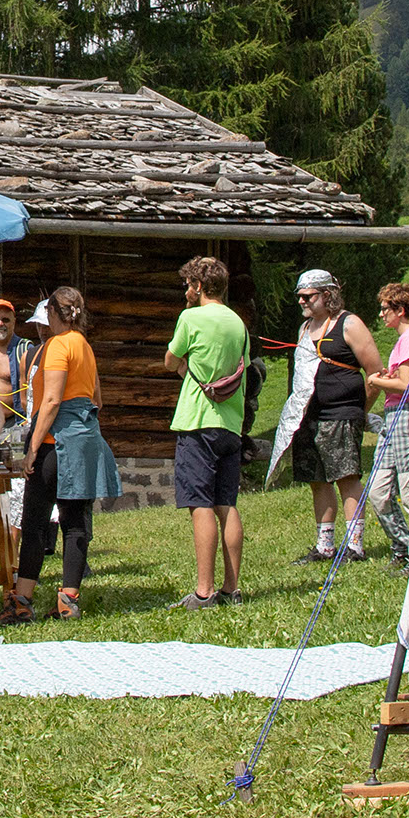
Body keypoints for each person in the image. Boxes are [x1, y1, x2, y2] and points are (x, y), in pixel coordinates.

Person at [0, 287, 121, 624]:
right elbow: (97, 398)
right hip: (85, 438)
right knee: (75, 521)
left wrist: (32, 449)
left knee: (35, 521)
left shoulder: (56, 346)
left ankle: (22, 600)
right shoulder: (84, 346)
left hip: (56, 442)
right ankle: (69, 599)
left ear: (53, 312)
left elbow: (51, 401)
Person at [163, 256, 252, 610]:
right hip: (231, 424)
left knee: (199, 505)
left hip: (198, 422)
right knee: (226, 504)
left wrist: (185, 362)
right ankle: (232, 589)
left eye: (189, 284)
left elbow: (170, 360)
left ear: (199, 286)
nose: (186, 290)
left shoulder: (191, 318)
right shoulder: (238, 323)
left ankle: (204, 592)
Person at [292, 268, 381, 563]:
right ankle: (325, 546)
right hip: (310, 416)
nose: (302, 301)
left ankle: (354, 546)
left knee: (346, 476)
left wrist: (360, 411)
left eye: (308, 296)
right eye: (299, 296)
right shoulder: (305, 329)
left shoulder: (349, 324)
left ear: (327, 295)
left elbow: (375, 372)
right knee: (317, 479)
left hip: (342, 413)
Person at [362, 281, 409, 569]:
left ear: (400, 310)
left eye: (385, 309)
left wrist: (375, 380)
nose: (381, 314)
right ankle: (406, 546)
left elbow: (406, 385)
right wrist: (387, 378)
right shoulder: (403, 341)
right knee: (378, 492)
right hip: (393, 418)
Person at [0, 299, 39, 471]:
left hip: (14, 428)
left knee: (15, 476)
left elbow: (34, 392)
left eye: (5, 319)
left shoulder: (24, 349)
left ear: (14, 322)